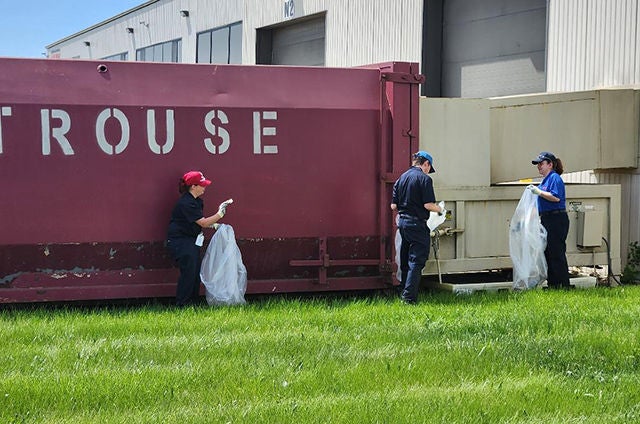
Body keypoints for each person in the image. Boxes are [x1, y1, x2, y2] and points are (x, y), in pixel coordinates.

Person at [167, 171, 232, 306]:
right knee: (188, 273)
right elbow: (202, 223)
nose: (204, 187)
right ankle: (183, 304)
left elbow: (197, 222)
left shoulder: (195, 202)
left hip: (190, 241)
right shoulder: (186, 203)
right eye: (201, 185)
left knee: (195, 272)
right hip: (182, 242)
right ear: (193, 186)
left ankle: (193, 302)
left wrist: (214, 225)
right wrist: (220, 214)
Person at [390, 151, 444, 304]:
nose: (428, 171)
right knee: (416, 261)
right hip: (417, 225)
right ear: (425, 164)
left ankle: (403, 291)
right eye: (429, 168)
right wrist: (440, 210)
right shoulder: (424, 179)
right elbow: (428, 205)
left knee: (405, 260)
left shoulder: (401, 179)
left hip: (403, 224)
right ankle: (409, 298)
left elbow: (393, 205)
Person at [528, 151, 570, 289]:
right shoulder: (545, 180)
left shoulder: (554, 178)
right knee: (548, 252)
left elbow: (556, 197)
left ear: (550, 164)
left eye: (541, 163)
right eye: (537, 164)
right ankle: (553, 284)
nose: (539, 166)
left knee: (556, 252)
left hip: (556, 219)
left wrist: (539, 192)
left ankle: (563, 285)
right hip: (547, 218)